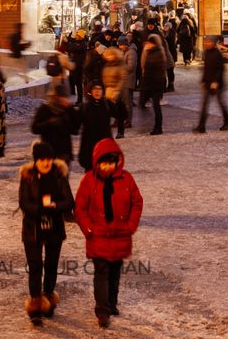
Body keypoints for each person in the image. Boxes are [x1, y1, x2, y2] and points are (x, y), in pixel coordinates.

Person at [75, 138, 144, 328]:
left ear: (117, 161)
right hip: (98, 236)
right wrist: (88, 229)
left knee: (115, 272)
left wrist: (130, 226)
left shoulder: (126, 179)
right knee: (101, 273)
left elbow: (137, 202)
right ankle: (102, 310)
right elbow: (80, 208)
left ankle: (112, 303)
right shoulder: (89, 180)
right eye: (104, 163)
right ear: (97, 162)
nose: (107, 167)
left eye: (111, 163)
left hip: (120, 235)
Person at [19, 140, 75, 326]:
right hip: (33, 229)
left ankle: (48, 298)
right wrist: (41, 208)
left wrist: (55, 207)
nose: (46, 163)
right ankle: (35, 306)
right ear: (36, 160)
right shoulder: (27, 176)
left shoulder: (59, 175)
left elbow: (69, 201)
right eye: (42, 160)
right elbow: (24, 203)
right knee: (35, 267)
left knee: (51, 265)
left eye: (49, 159)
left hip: (54, 227)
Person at [193, 35, 228, 133]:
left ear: (213, 43)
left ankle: (227, 122)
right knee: (204, 105)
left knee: (221, 103)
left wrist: (215, 81)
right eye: (206, 42)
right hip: (208, 83)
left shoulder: (217, 54)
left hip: (217, 84)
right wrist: (203, 80)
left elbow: (220, 69)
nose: (207, 44)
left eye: (209, 42)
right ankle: (201, 127)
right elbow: (206, 69)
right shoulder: (206, 53)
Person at [31, 89, 80, 164]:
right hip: (48, 152)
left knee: (63, 174)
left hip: (64, 153)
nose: (61, 99)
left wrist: (70, 109)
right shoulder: (44, 109)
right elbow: (34, 128)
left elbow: (76, 130)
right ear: (54, 97)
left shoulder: (67, 109)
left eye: (64, 97)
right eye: (59, 97)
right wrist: (48, 123)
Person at [79, 83, 113, 172]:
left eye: (99, 89)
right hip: (89, 147)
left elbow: (122, 115)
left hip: (104, 146)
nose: (97, 91)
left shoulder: (107, 105)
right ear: (90, 91)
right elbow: (76, 125)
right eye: (95, 89)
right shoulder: (85, 107)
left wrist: (118, 103)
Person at [139, 34, 166, 135]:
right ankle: (151, 124)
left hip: (155, 84)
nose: (147, 44)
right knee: (142, 103)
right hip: (149, 83)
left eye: (149, 43)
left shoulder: (158, 53)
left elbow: (158, 71)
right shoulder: (150, 52)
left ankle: (157, 127)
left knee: (156, 106)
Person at [101, 46, 126, 140]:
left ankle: (120, 131)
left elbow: (122, 79)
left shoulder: (120, 65)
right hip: (107, 92)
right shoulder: (106, 65)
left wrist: (117, 91)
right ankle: (107, 132)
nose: (109, 57)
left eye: (111, 55)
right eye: (108, 56)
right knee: (107, 113)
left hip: (117, 92)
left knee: (119, 113)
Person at [121, 37, 138, 128]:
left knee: (128, 102)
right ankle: (122, 119)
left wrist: (120, 65)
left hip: (128, 80)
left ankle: (128, 120)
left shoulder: (131, 52)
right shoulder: (126, 52)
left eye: (121, 45)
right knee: (122, 102)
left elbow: (131, 67)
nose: (120, 47)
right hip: (124, 80)